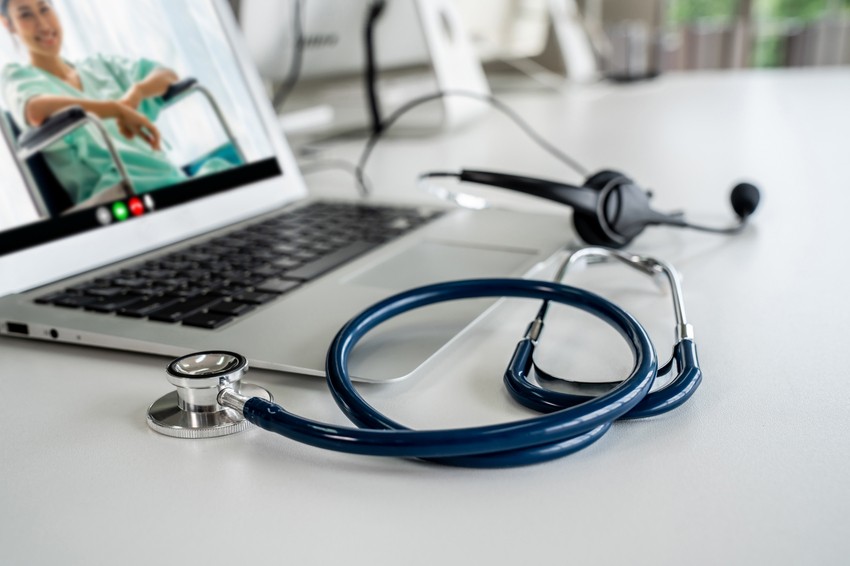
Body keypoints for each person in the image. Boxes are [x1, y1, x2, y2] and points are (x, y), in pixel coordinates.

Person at [0, 0, 234, 207]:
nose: (43, 24)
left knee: (227, 170)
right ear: (8, 24)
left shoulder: (100, 66)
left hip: (167, 175)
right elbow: (34, 110)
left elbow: (165, 75)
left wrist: (135, 94)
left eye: (44, 9)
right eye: (25, 15)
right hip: (120, 193)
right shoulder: (18, 77)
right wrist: (115, 110)